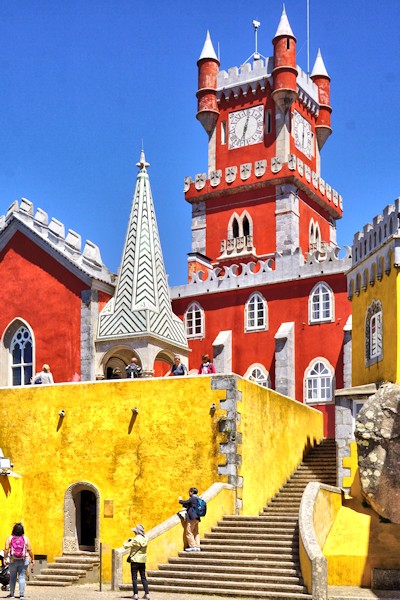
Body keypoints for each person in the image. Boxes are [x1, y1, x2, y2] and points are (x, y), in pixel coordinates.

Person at [4, 522, 34, 599]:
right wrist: (32, 559)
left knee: (13, 577)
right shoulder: (25, 538)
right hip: (24, 560)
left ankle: (11, 594)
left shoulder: (9, 538)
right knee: (21, 576)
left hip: (12, 560)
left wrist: (4, 558)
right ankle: (21, 595)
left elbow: (6, 549)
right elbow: (29, 549)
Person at [124, 524, 150, 600]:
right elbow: (141, 539)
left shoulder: (135, 540)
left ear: (136, 532)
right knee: (143, 577)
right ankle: (147, 594)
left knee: (134, 578)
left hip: (135, 560)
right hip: (143, 560)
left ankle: (135, 594)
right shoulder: (145, 539)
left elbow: (126, 546)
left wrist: (126, 541)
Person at [179, 487, 201, 552]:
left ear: (192, 492)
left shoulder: (192, 498)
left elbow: (185, 502)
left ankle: (192, 546)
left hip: (192, 518)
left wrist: (180, 500)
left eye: (189, 492)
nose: (189, 493)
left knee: (189, 532)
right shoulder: (198, 499)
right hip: (197, 518)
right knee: (196, 532)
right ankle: (197, 546)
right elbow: (189, 505)